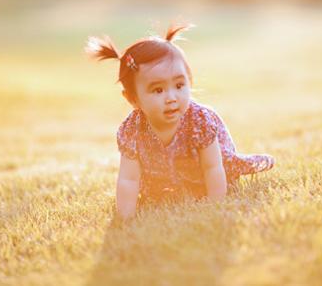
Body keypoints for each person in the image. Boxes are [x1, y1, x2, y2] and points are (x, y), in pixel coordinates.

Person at [85, 23, 275, 221]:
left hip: (207, 170)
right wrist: (125, 218)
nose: (171, 97)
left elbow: (212, 167)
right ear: (133, 99)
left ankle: (199, 189)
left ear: (189, 82)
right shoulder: (132, 129)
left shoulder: (199, 121)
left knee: (213, 178)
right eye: (158, 90)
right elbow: (128, 179)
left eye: (179, 85)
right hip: (163, 177)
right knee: (160, 195)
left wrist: (215, 206)